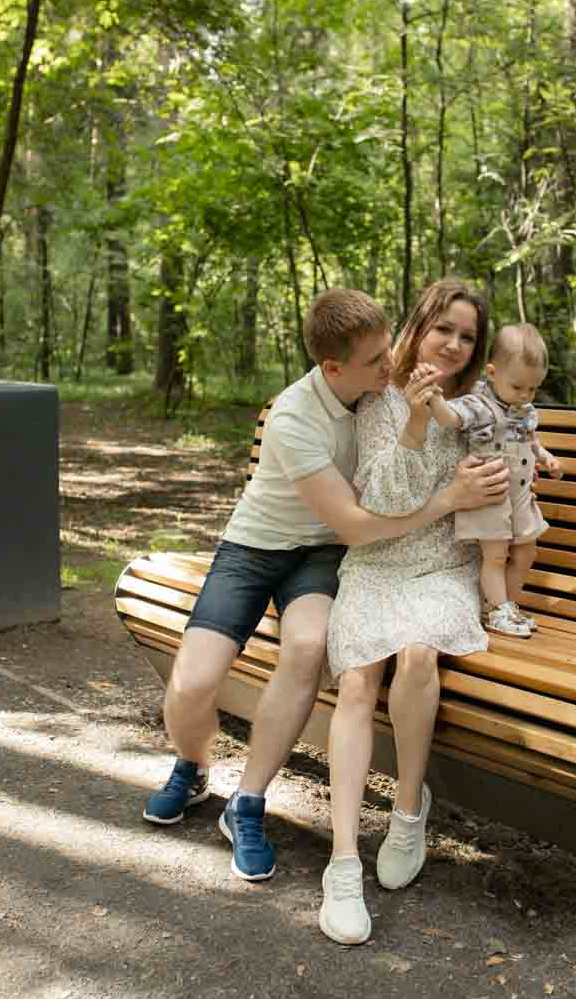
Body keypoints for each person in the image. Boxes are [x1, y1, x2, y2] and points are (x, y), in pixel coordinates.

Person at [142, 287, 509, 887]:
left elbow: (484, 436)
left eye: (390, 348)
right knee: (193, 683)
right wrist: (446, 496)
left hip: (321, 555)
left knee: (310, 648)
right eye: (376, 359)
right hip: (258, 549)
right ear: (334, 367)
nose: (389, 364)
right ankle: (193, 762)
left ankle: (248, 802)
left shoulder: (387, 393)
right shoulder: (297, 419)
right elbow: (359, 523)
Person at [319, 279, 494, 946]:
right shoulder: (378, 400)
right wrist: (418, 420)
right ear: (419, 326)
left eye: (467, 335)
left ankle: (406, 810)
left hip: (444, 565)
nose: (452, 343)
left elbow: (507, 466)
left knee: (418, 654)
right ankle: (342, 861)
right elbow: (384, 506)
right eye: (442, 328)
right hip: (376, 560)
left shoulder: (478, 409)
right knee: (360, 677)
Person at [427, 321, 562, 638]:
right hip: (490, 493)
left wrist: (545, 457)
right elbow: (450, 419)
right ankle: (498, 609)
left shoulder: (524, 409)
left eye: (532, 389)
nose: (525, 395)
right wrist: (434, 398)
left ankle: (506, 607)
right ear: (492, 373)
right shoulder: (479, 405)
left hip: (521, 495)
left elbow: (531, 440)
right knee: (496, 555)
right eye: (517, 387)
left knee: (527, 551)